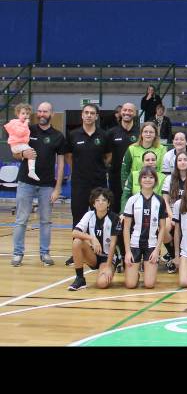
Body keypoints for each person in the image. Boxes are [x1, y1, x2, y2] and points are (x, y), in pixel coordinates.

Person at [63, 104, 109, 266]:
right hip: (79, 183)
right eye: (86, 113)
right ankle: (76, 251)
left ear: (97, 116)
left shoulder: (103, 135)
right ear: (82, 115)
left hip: (98, 183)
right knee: (78, 217)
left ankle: (101, 250)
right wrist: (78, 170)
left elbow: (108, 156)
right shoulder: (73, 134)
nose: (89, 115)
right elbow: (68, 155)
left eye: (92, 113)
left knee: (100, 216)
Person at [122, 166, 167, 289]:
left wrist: (157, 250)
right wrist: (127, 252)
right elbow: (126, 228)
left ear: (155, 181)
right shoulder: (132, 200)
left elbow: (162, 227)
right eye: (145, 177)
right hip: (134, 244)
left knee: (149, 285)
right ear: (140, 180)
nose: (148, 180)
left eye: (151, 177)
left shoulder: (160, 201)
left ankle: (148, 272)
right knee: (130, 285)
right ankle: (134, 274)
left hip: (151, 245)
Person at [68, 188, 118, 291]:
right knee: (77, 241)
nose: (100, 203)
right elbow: (74, 232)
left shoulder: (114, 218)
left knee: (102, 284)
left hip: (107, 257)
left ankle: (105, 269)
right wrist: (92, 238)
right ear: (93, 204)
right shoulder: (89, 215)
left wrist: (108, 266)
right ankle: (80, 278)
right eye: (97, 200)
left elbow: (113, 244)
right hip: (93, 255)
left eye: (104, 200)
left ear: (108, 203)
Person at [5, 103, 39, 181]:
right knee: (31, 152)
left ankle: (31, 170)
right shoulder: (16, 123)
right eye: (23, 113)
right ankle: (31, 171)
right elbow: (20, 133)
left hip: (19, 145)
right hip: (17, 145)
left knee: (30, 153)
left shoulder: (22, 124)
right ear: (18, 114)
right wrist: (26, 123)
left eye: (27, 114)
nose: (25, 115)